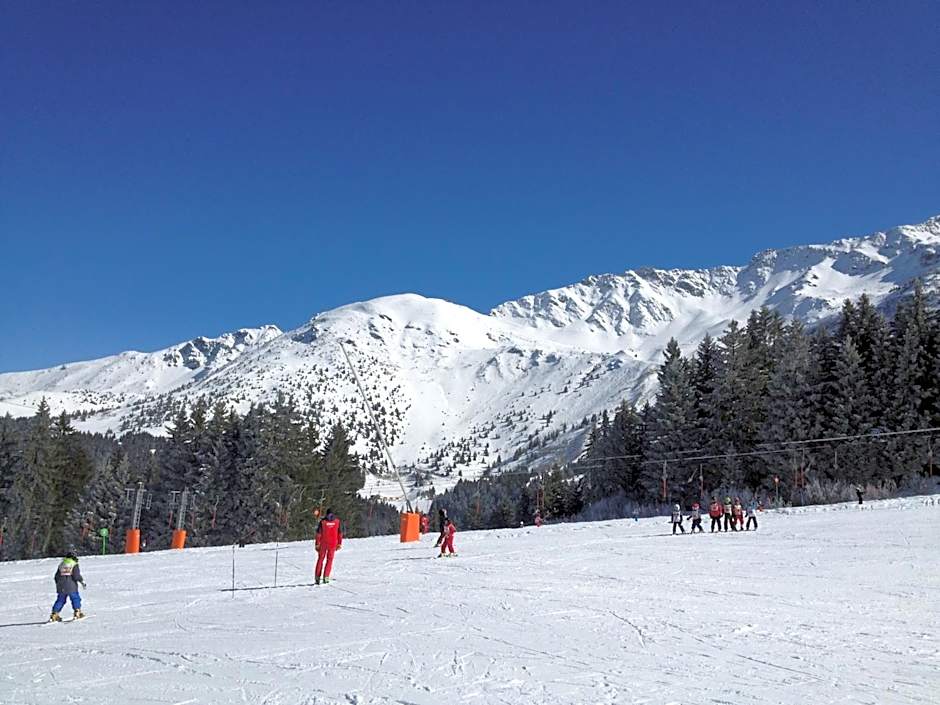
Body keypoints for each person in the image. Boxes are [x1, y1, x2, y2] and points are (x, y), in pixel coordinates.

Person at [50, 551, 85, 622]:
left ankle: (54, 614)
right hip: (71, 586)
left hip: (61, 586)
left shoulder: (61, 564)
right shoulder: (74, 564)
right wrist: (81, 581)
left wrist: (59, 584)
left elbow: (56, 576)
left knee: (60, 600)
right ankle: (77, 612)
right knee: (75, 598)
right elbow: (76, 576)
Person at [315, 509, 342, 585]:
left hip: (323, 543)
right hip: (333, 544)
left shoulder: (323, 522)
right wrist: (339, 543)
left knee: (320, 560)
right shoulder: (337, 521)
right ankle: (326, 577)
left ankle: (317, 577)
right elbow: (340, 533)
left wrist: (317, 544)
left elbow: (318, 534)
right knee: (329, 560)